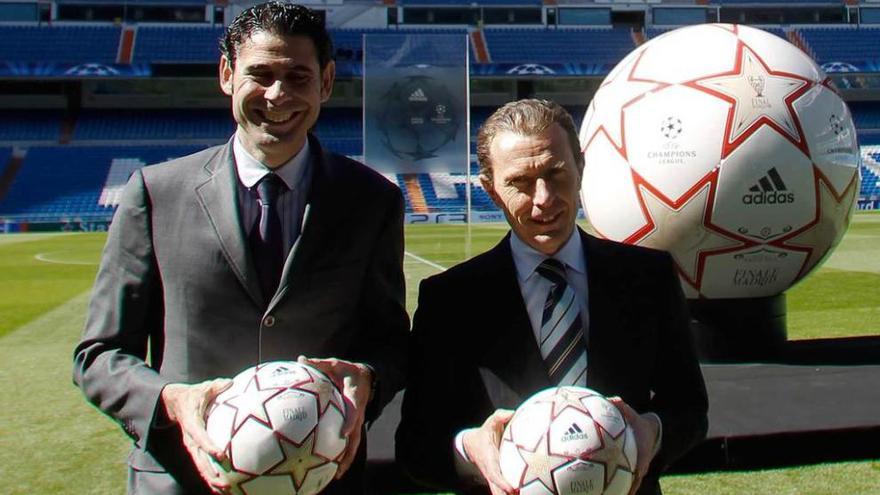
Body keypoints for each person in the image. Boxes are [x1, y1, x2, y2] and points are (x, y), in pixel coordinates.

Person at [72, 3, 409, 493]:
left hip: (320, 477)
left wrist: (369, 376)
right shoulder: (156, 192)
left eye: (298, 76)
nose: (278, 94)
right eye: (261, 74)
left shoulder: (371, 199)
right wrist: (170, 400)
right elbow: (99, 353)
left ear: (327, 82)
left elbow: (391, 340)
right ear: (228, 75)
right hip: (183, 478)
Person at [395, 99, 707, 495]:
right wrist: (469, 449)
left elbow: (690, 409)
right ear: (491, 190)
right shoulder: (450, 301)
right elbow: (416, 449)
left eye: (555, 173)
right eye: (520, 183)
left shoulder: (648, 277)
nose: (543, 198)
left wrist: (652, 432)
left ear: (580, 167)